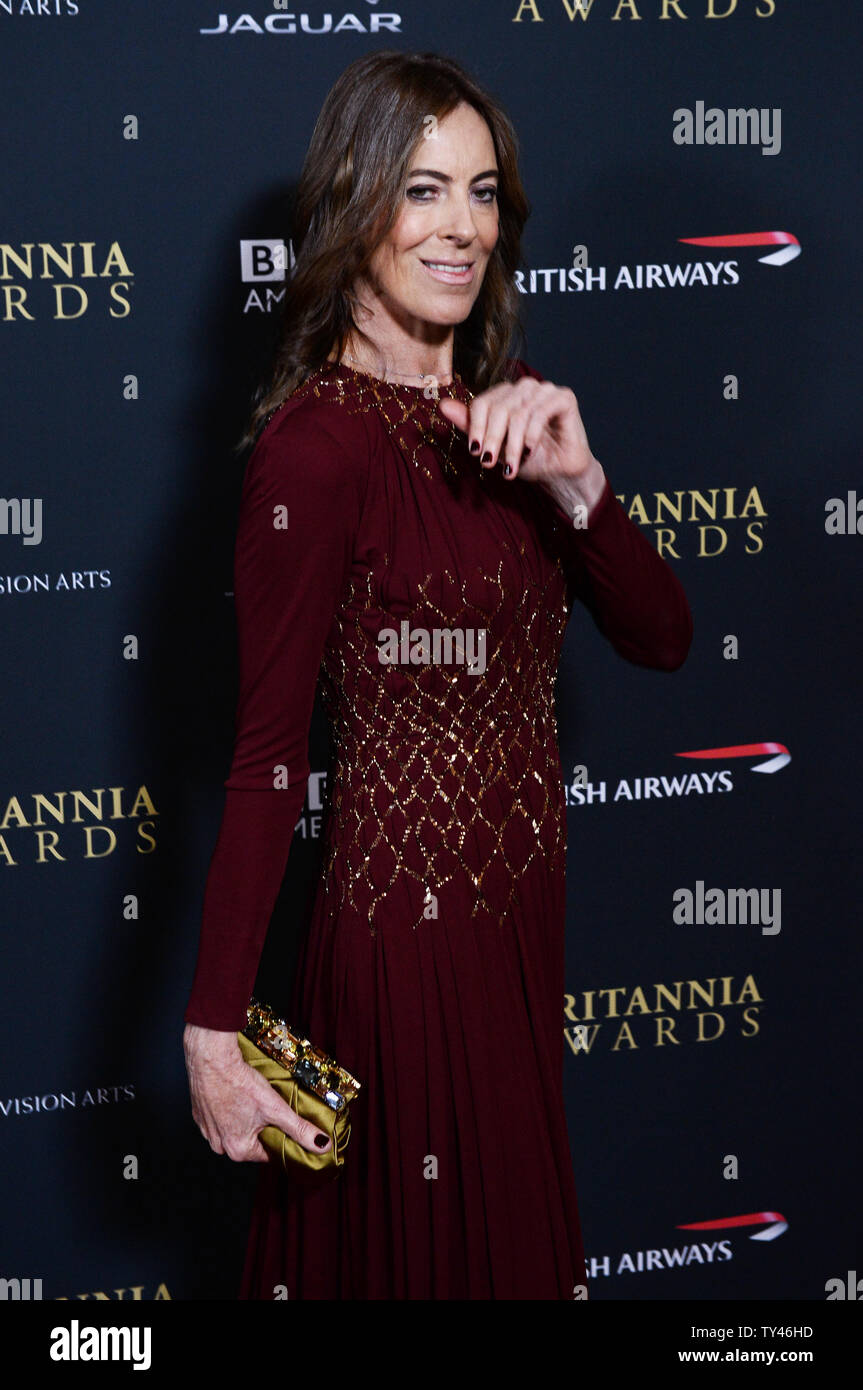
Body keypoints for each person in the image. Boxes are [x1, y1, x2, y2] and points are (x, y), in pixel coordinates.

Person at [183, 50, 693, 1300]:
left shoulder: (509, 425)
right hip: (397, 961)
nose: (462, 226)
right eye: (422, 190)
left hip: (517, 937)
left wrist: (577, 484)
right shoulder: (314, 452)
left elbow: (665, 636)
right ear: (357, 203)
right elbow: (263, 760)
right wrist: (211, 1030)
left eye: (480, 192)